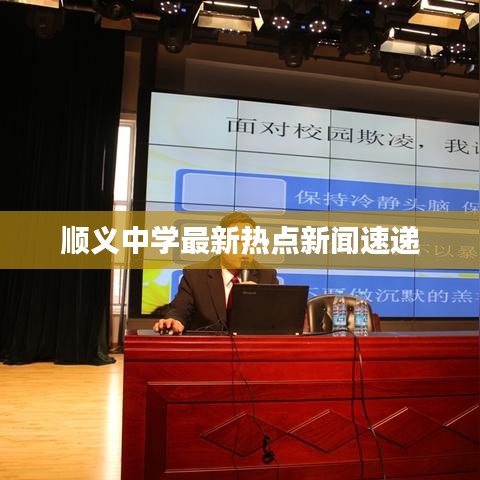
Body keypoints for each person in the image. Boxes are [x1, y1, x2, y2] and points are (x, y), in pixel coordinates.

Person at [153, 212, 278, 334]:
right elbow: (179, 310)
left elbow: (277, 321)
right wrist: (174, 321)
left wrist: (260, 301)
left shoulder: (267, 276)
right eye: (239, 242)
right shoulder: (195, 275)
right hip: (208, 346)